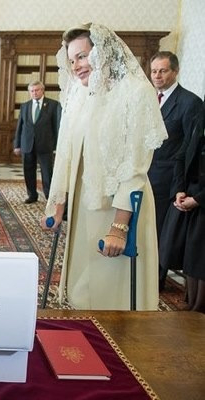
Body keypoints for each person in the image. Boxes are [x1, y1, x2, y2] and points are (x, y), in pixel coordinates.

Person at [41, 23, 167, 310]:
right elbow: (66, 154)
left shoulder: (135, 92)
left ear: (103, 53)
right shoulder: (80, 94)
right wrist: (58, 204)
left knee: (114, 292)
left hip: (120, 207)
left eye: (82, 56)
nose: (76, 66)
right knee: (82, 289)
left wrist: (119, 228)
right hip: (84, 205)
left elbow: (135, 167)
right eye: (72, 60)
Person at [148, 51, 202, 290]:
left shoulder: (190, 103)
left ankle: (155, 282)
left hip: (170, 180)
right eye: (154, 71)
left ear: (175, 71)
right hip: (146, 174)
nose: (157, 76)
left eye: (163, 71)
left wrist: (182, 186)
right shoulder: (150, 99)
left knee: (161, 232)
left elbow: (190, 148)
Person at [159, 104, 205, 312]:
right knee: (192, 252)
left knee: (200, 254)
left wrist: (199, 199)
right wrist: (179, 189)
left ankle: (199, 308)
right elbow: (182, 155)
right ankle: (193, 304)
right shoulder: (199, 118)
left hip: (201, 198)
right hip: (191, 193)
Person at [13, 81, 61, 203]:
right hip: (27, 144)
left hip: (45, 145)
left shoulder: (53, 105)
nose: (34, 93)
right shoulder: (25, 106)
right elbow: (20, 126)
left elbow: (57, 127)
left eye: (37, 90)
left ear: (42, 90)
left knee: (47, 172)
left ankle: (49, 196)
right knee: (28, 171)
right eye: (32, 91)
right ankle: (32, 195)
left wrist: (57, 145)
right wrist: (17, 145)